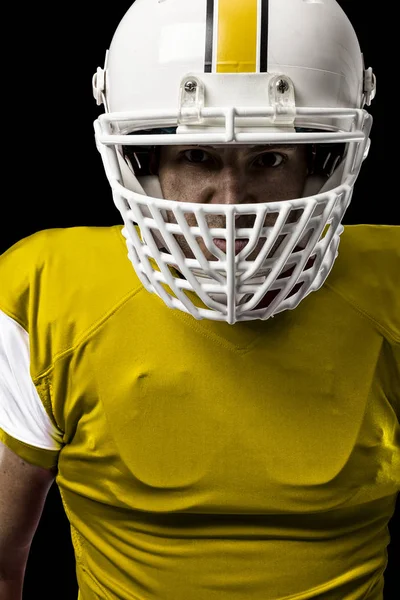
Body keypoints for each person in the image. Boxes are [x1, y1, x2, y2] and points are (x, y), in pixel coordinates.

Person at [0, 1, 397, 599]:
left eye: (268, 159)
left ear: (321, 165)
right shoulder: (46, 293)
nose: (231, 202)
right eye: (196, 156)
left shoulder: (391, 289)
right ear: (146, 161)